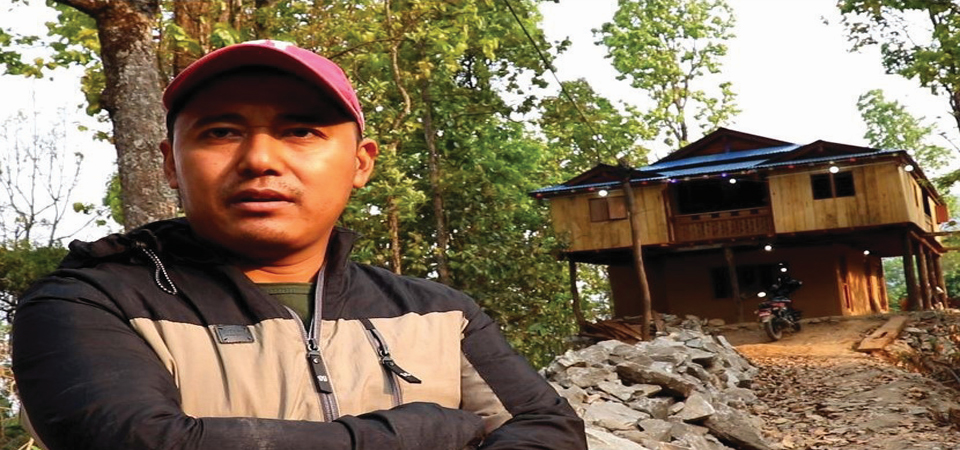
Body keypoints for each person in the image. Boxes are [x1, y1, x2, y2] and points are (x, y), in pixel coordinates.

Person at [12, 40, 586, 450]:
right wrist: (419, 432)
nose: (260, 159)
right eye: (221, 132)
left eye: (301, 131)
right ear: (170, 164)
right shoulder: (88, 304)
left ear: (360, 164)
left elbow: (549, 430)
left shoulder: (440, 313)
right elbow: (135, 440)